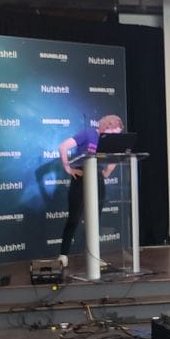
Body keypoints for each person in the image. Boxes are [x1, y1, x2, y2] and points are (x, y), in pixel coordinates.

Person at [56, 114, 124, 267]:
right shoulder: (88, 134)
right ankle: (63, 255)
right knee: (74, 218)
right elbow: (63, 147)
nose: (114, 137)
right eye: (113, 133)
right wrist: (68, 168)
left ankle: (93, 256)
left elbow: (115, 158)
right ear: (106, 127)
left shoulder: (110, 141)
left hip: (97, 180)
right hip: (81, 177)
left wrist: (106, 173)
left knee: (95, 219)